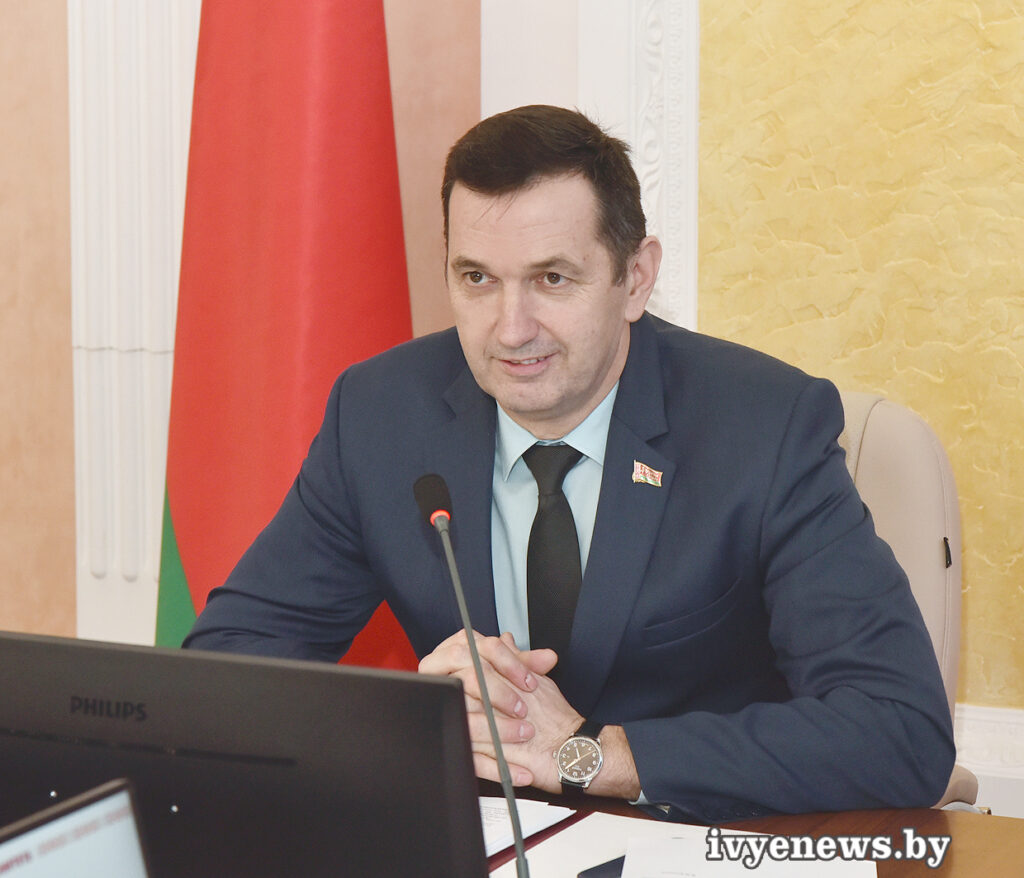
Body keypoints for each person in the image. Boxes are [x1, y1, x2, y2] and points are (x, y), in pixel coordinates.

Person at [184, 105, 955, 823]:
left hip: (690, 841)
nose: (510, 329)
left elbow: (900, 731)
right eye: (477, 279)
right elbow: (221, 672)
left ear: (635, 278)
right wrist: (417, 716)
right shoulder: (381, 415)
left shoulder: (762, 428)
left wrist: (592, 755)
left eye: (552, 279)